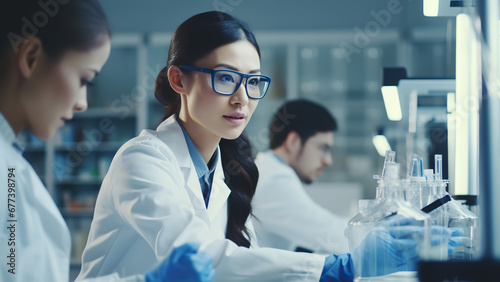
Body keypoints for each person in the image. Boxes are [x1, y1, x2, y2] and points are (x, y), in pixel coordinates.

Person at [76, 11, 425, 282]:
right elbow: (202, 256)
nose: (242, 99)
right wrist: (342, 267)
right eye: (226, 77)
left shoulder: (224, 173)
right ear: (179, 79)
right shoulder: (142, 161)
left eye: (253, 81)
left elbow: (242, 265)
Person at [0, 1, 214, 281]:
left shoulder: (12, 166)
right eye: (83, 80)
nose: (82, 104)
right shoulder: (9, 172)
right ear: (30, 57)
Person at [252, 99, 350, 254]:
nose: (328, 160)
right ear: (293, 141)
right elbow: (338, 238)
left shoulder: (268, 170)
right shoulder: (274, 180)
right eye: (323, 148)